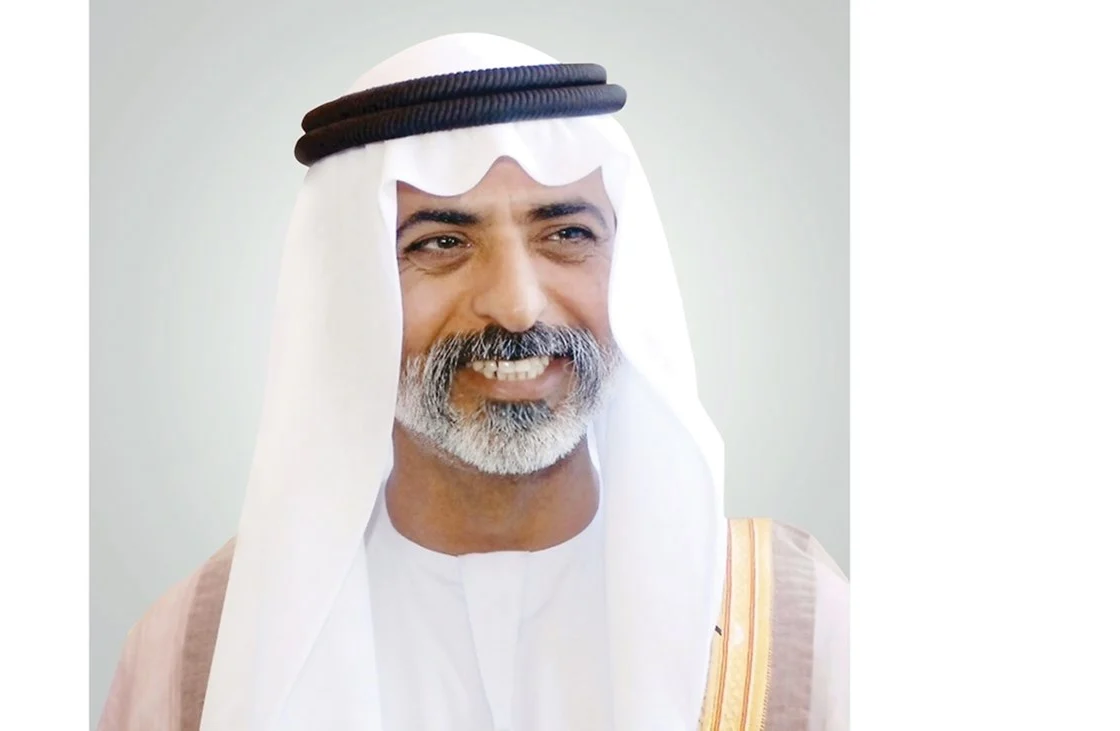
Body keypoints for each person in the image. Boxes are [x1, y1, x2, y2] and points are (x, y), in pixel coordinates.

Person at [98, 32, 848, 731]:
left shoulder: (785, 622)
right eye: (441, 242)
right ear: (348, 294)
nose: (517, 305)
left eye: (567, 234)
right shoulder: (199, 649)